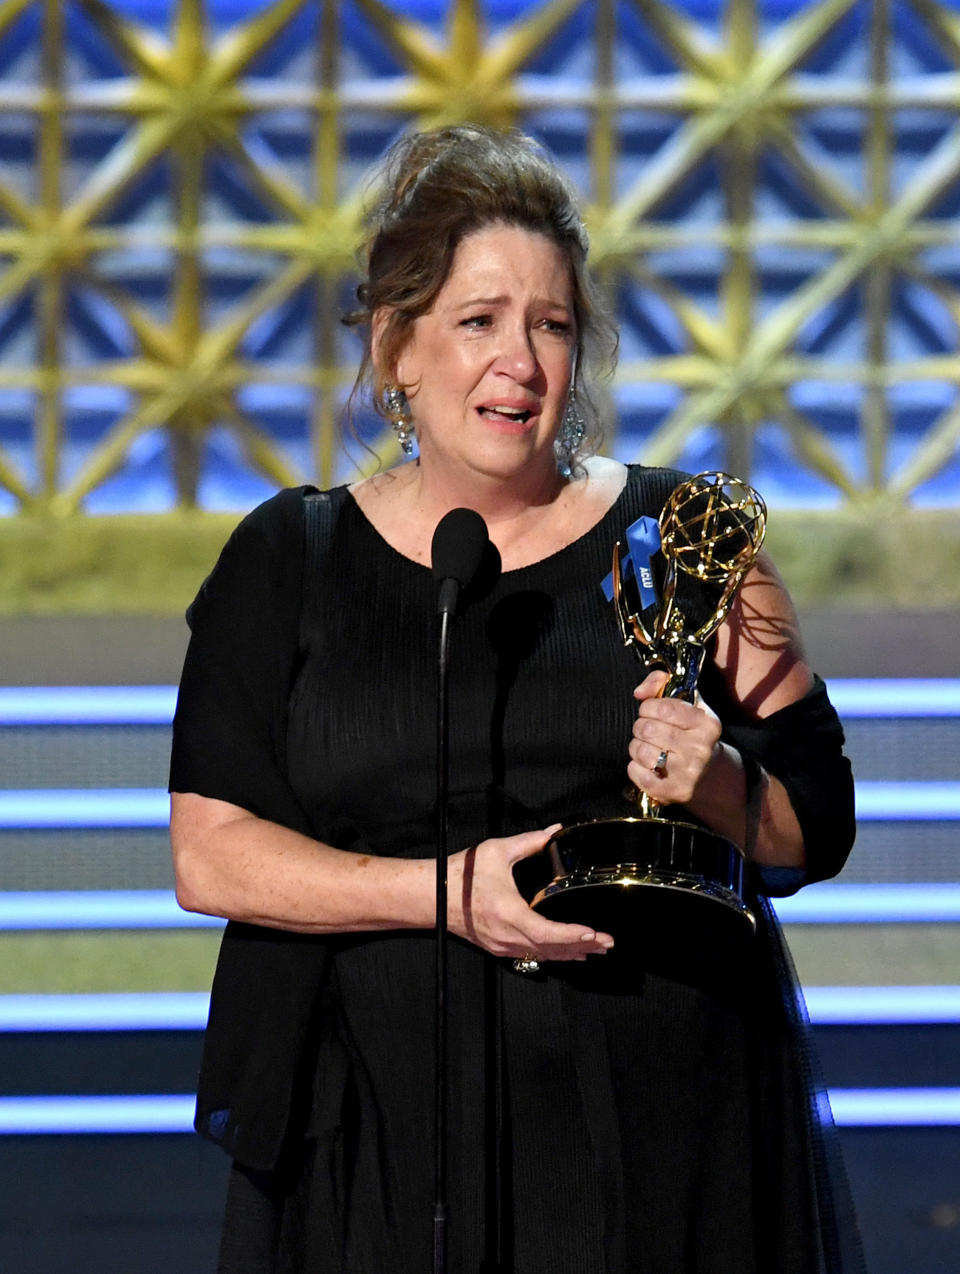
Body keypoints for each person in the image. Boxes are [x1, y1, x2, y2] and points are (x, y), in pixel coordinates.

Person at [169, 124, 863, 1274]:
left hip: (662, 1144)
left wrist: (723, 778)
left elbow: (817, 819)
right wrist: (449, 891)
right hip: (376, 1147)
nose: (521, 362)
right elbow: (212, 854)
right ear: (397, 347)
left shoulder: (688, 540)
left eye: (551, 325)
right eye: (478, 321)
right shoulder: (285, 558)